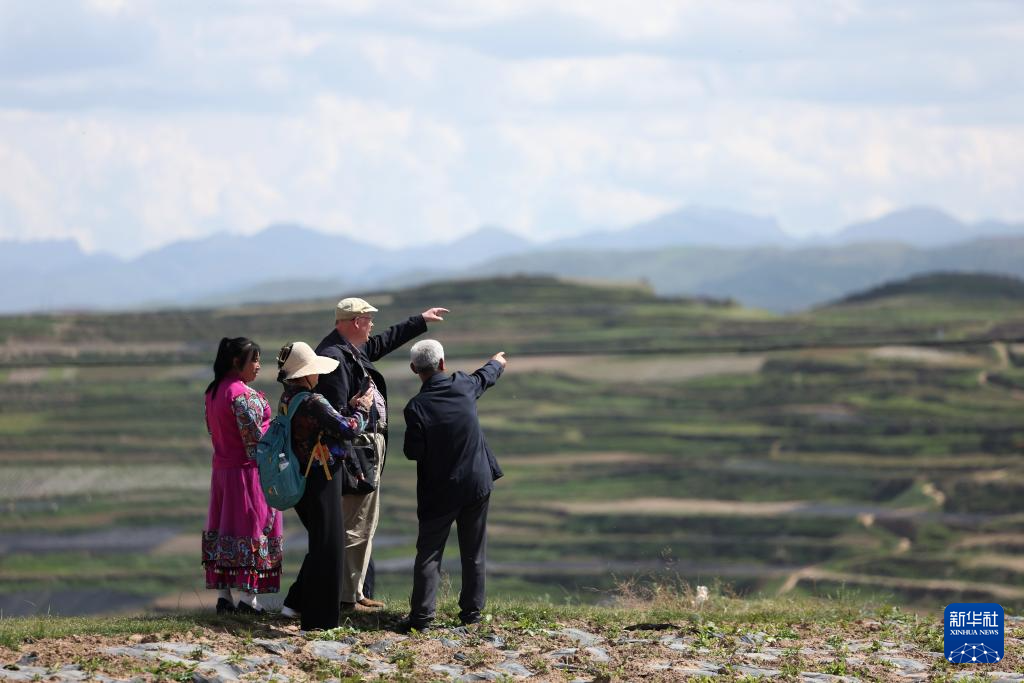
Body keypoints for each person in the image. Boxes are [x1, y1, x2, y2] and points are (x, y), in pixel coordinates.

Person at [315, 297, 449, 612]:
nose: (372, 325)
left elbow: (383, 342)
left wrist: (420, 320)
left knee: (365, 523)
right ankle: (346, 597)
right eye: (369, 319)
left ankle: (356, 591)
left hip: (364, 449)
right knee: (356, 524)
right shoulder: (334, 357)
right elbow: (335, 416)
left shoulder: (348, 349)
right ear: (356, 322)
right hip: (355, 453)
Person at [400, 340, 507, 631]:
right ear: (443, 363)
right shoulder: (463, 385)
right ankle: (472, 615)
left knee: (429, 552)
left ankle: (421, 619)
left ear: (414, 369)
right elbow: (485, 376)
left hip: (439, 492)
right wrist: (497, 362)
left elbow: (413, 452)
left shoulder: (416, 407)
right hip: (476, 483)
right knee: (473, 551)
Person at [274, 341, 369, 631]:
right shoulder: (313, 401)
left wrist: (348, 410)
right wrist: (362, 410)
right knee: (329, 550)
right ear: (305, 374)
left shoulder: (288, 398)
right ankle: (321, 621)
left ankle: (306, 609)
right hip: (322, 477)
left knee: (320, 545)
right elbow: (349, 429)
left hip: (303, 477)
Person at [202, 337, 280, 615]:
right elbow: (256, 442)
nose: (258, 366)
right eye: (254, 360)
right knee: (252, 529)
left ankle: (224, 596)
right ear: (237, 362)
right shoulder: (243, 395)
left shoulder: (213, 392)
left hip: (222, 472)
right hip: (247, 473)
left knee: (225, 529)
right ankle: (249, 598)